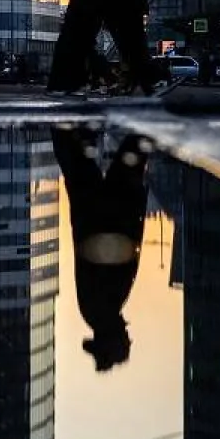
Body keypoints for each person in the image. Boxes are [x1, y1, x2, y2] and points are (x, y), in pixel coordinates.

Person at [51, 126, 150, 372]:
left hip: (107, 211)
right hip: (103, 210)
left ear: (111, 340)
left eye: (124, 340)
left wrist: (129, 216)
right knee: (77, 160)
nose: (128, 334)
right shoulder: (101, 310)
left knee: (132, 146)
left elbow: (111, 256)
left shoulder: (101, 308)